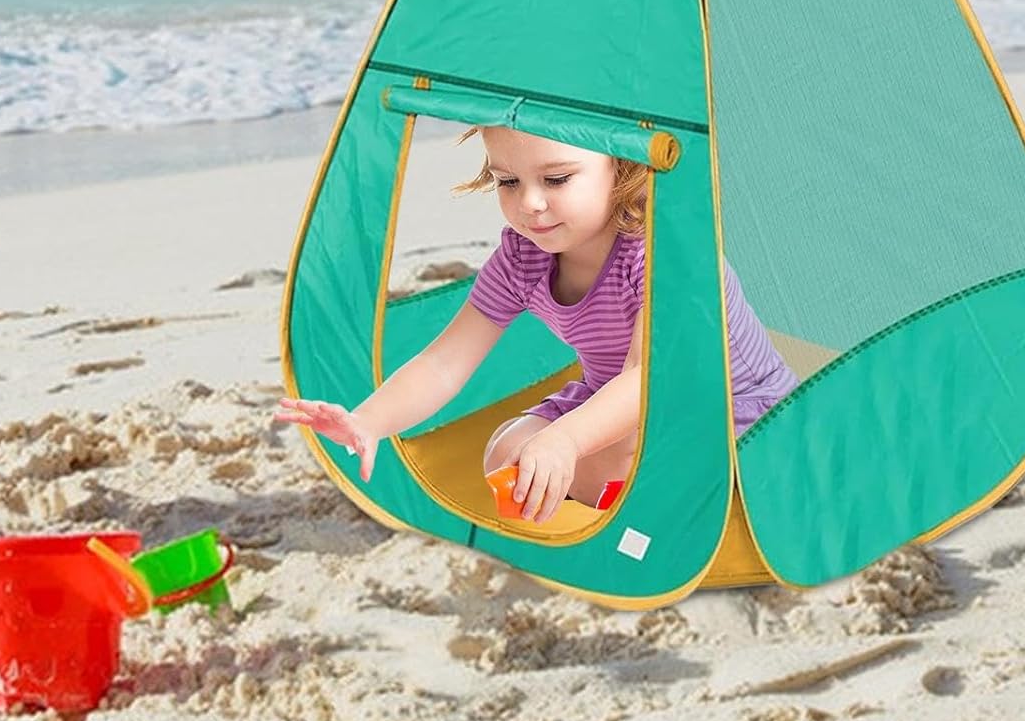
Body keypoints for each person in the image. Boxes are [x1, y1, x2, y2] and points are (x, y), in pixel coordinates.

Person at [275, 124, 797, 523]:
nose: (529, 203)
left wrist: (565, 441)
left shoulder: (665, 252)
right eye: (508, 181)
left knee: (619, 449)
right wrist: (369, 421)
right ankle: (629, 497)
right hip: (609, 401)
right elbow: (444, 364)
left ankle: (650, 499)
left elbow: (647, 380)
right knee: (508, 453)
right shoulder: (523, 259)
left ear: (623, 166)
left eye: (556, 179)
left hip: (726, 407)